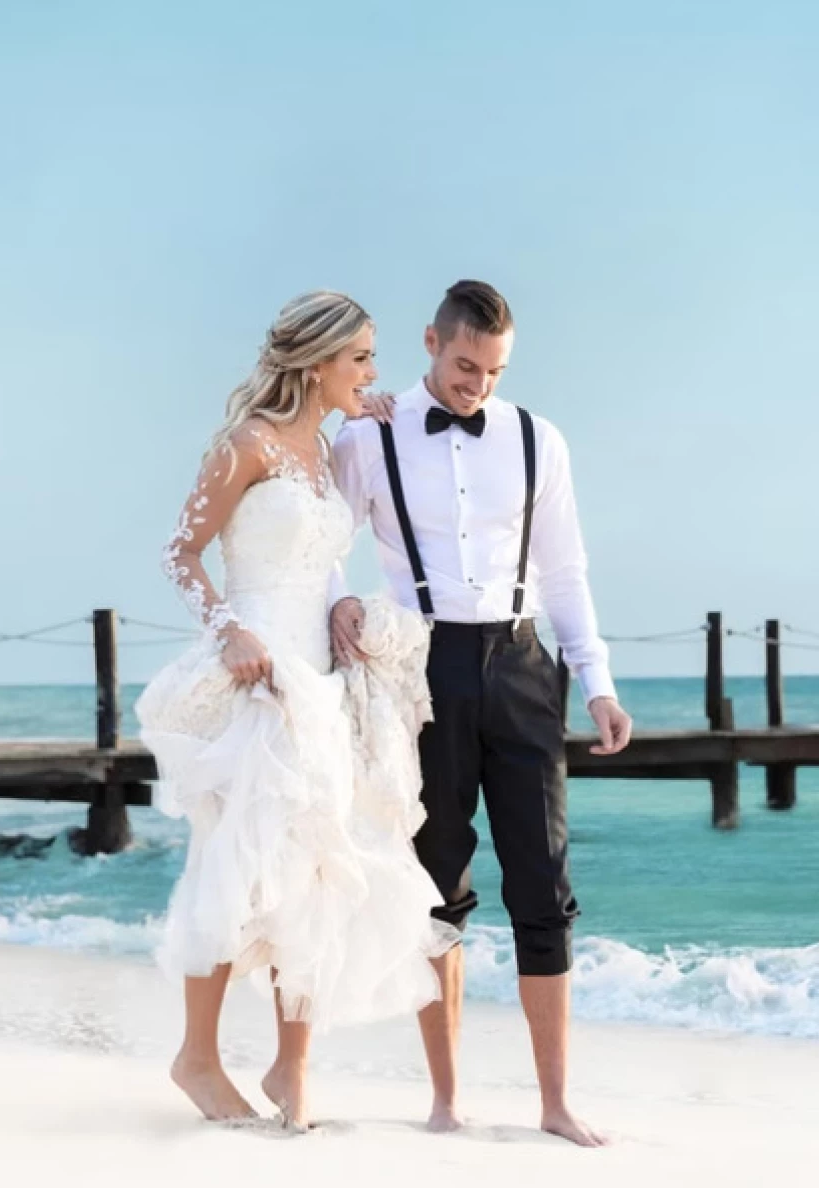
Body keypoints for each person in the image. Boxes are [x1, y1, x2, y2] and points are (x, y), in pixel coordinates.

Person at [136, 290, 451, 1131]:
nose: (373, 374)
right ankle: (197, 1056)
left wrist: (347, 607)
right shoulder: (248, 445)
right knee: (239, 869)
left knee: (320, 873)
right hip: (258, 676)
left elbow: (326, 562)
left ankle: (293, 1073)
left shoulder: (325, 450)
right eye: (362, 360)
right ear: (317, 363)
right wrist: (228, 629)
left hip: (322, 676)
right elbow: (180, 551)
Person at [328, 280, 633, 1146]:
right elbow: (321, 539)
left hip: (526, 667)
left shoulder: (539, 440)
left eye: (493, 372)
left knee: (543, 883)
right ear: (431, 342)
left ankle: (555, 1103)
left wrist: (598, 681)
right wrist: (334, 600)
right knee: (438, 884)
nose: (477, 387)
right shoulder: (369, 435)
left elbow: (566, 569)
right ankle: (446, 1100)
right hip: (421, 667)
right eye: (465, 366)